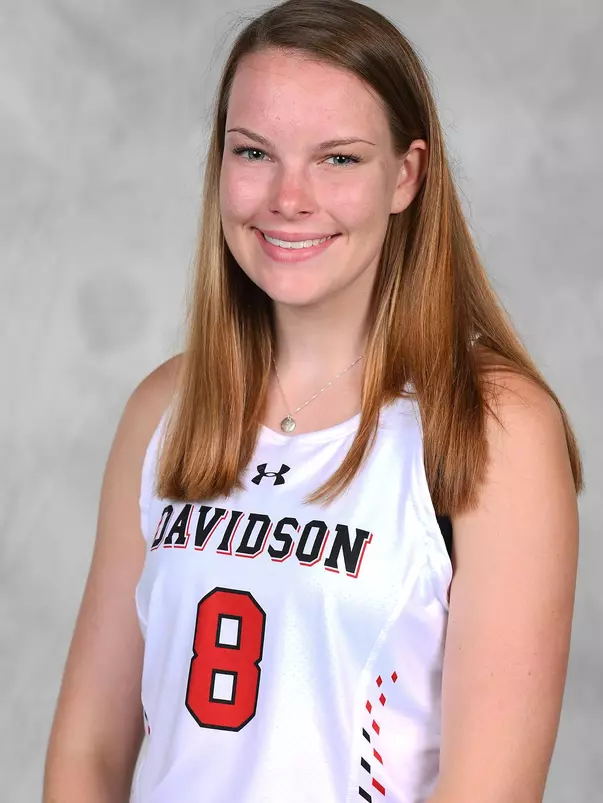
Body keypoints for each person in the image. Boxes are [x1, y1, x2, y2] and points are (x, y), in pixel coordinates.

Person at [43, 1, 582, 801]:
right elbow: (87, 749)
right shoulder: (166, 408)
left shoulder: (491, 426)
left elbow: (489, 790)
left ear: (406, 174)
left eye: (337, 159)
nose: (287, 198)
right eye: (254, 151)